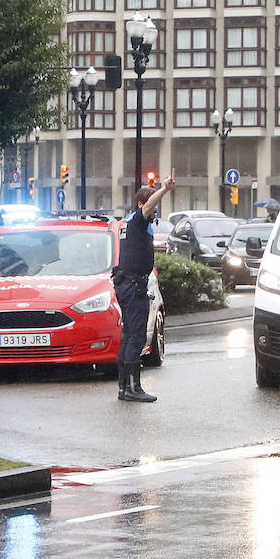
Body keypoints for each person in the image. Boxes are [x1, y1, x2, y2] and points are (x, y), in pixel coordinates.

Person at [114, 169, 175, 401]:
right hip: (133, 287)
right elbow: (149, 206)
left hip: (126, 285)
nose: (154, 212)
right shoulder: (138, 219)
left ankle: (124, 388)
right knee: (136, 336)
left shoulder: (129, 223)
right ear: (142, 204)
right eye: (151, 207)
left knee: (129, 335)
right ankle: (133, 389)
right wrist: (165, 189)